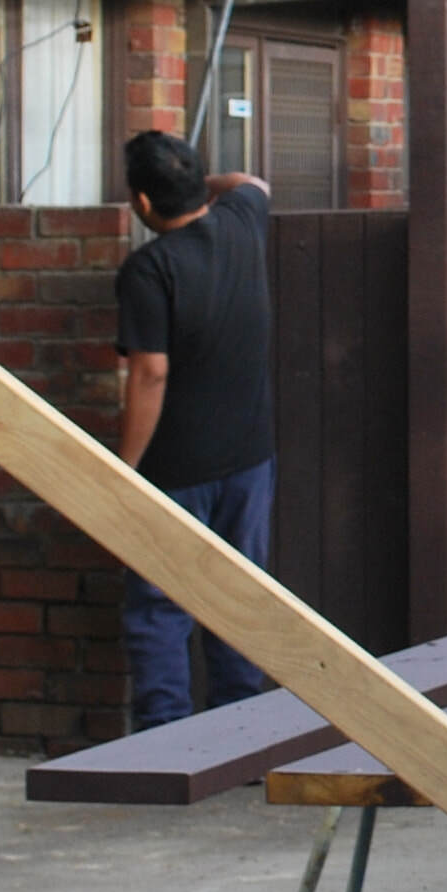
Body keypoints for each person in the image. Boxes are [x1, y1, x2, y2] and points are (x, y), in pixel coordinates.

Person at [111, 128, 276, 728]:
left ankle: (164, 744)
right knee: (239, 594)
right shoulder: (242, 221)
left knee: (160, 605)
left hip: (175, 467)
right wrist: (195, 183)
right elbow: (253, 183)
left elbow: (150, 373)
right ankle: (238, 733)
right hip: (250, 459)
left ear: (144, 203)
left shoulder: (149, 270)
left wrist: (123, 466)